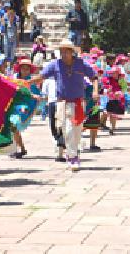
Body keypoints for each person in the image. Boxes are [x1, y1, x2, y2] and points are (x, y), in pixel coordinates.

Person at [31, 39, 98, 171]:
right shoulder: (55, 64)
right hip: (63, 102)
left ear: (71, 52)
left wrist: (95, 91)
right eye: (61, 51)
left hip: (79, 102)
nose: (63, 54)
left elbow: (94, 77)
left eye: (66, 51)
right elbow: (42, 76)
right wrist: (27, 82)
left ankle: (74, 152)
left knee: (77, 131)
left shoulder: (81, 64)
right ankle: (72, 157)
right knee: (67, 129)